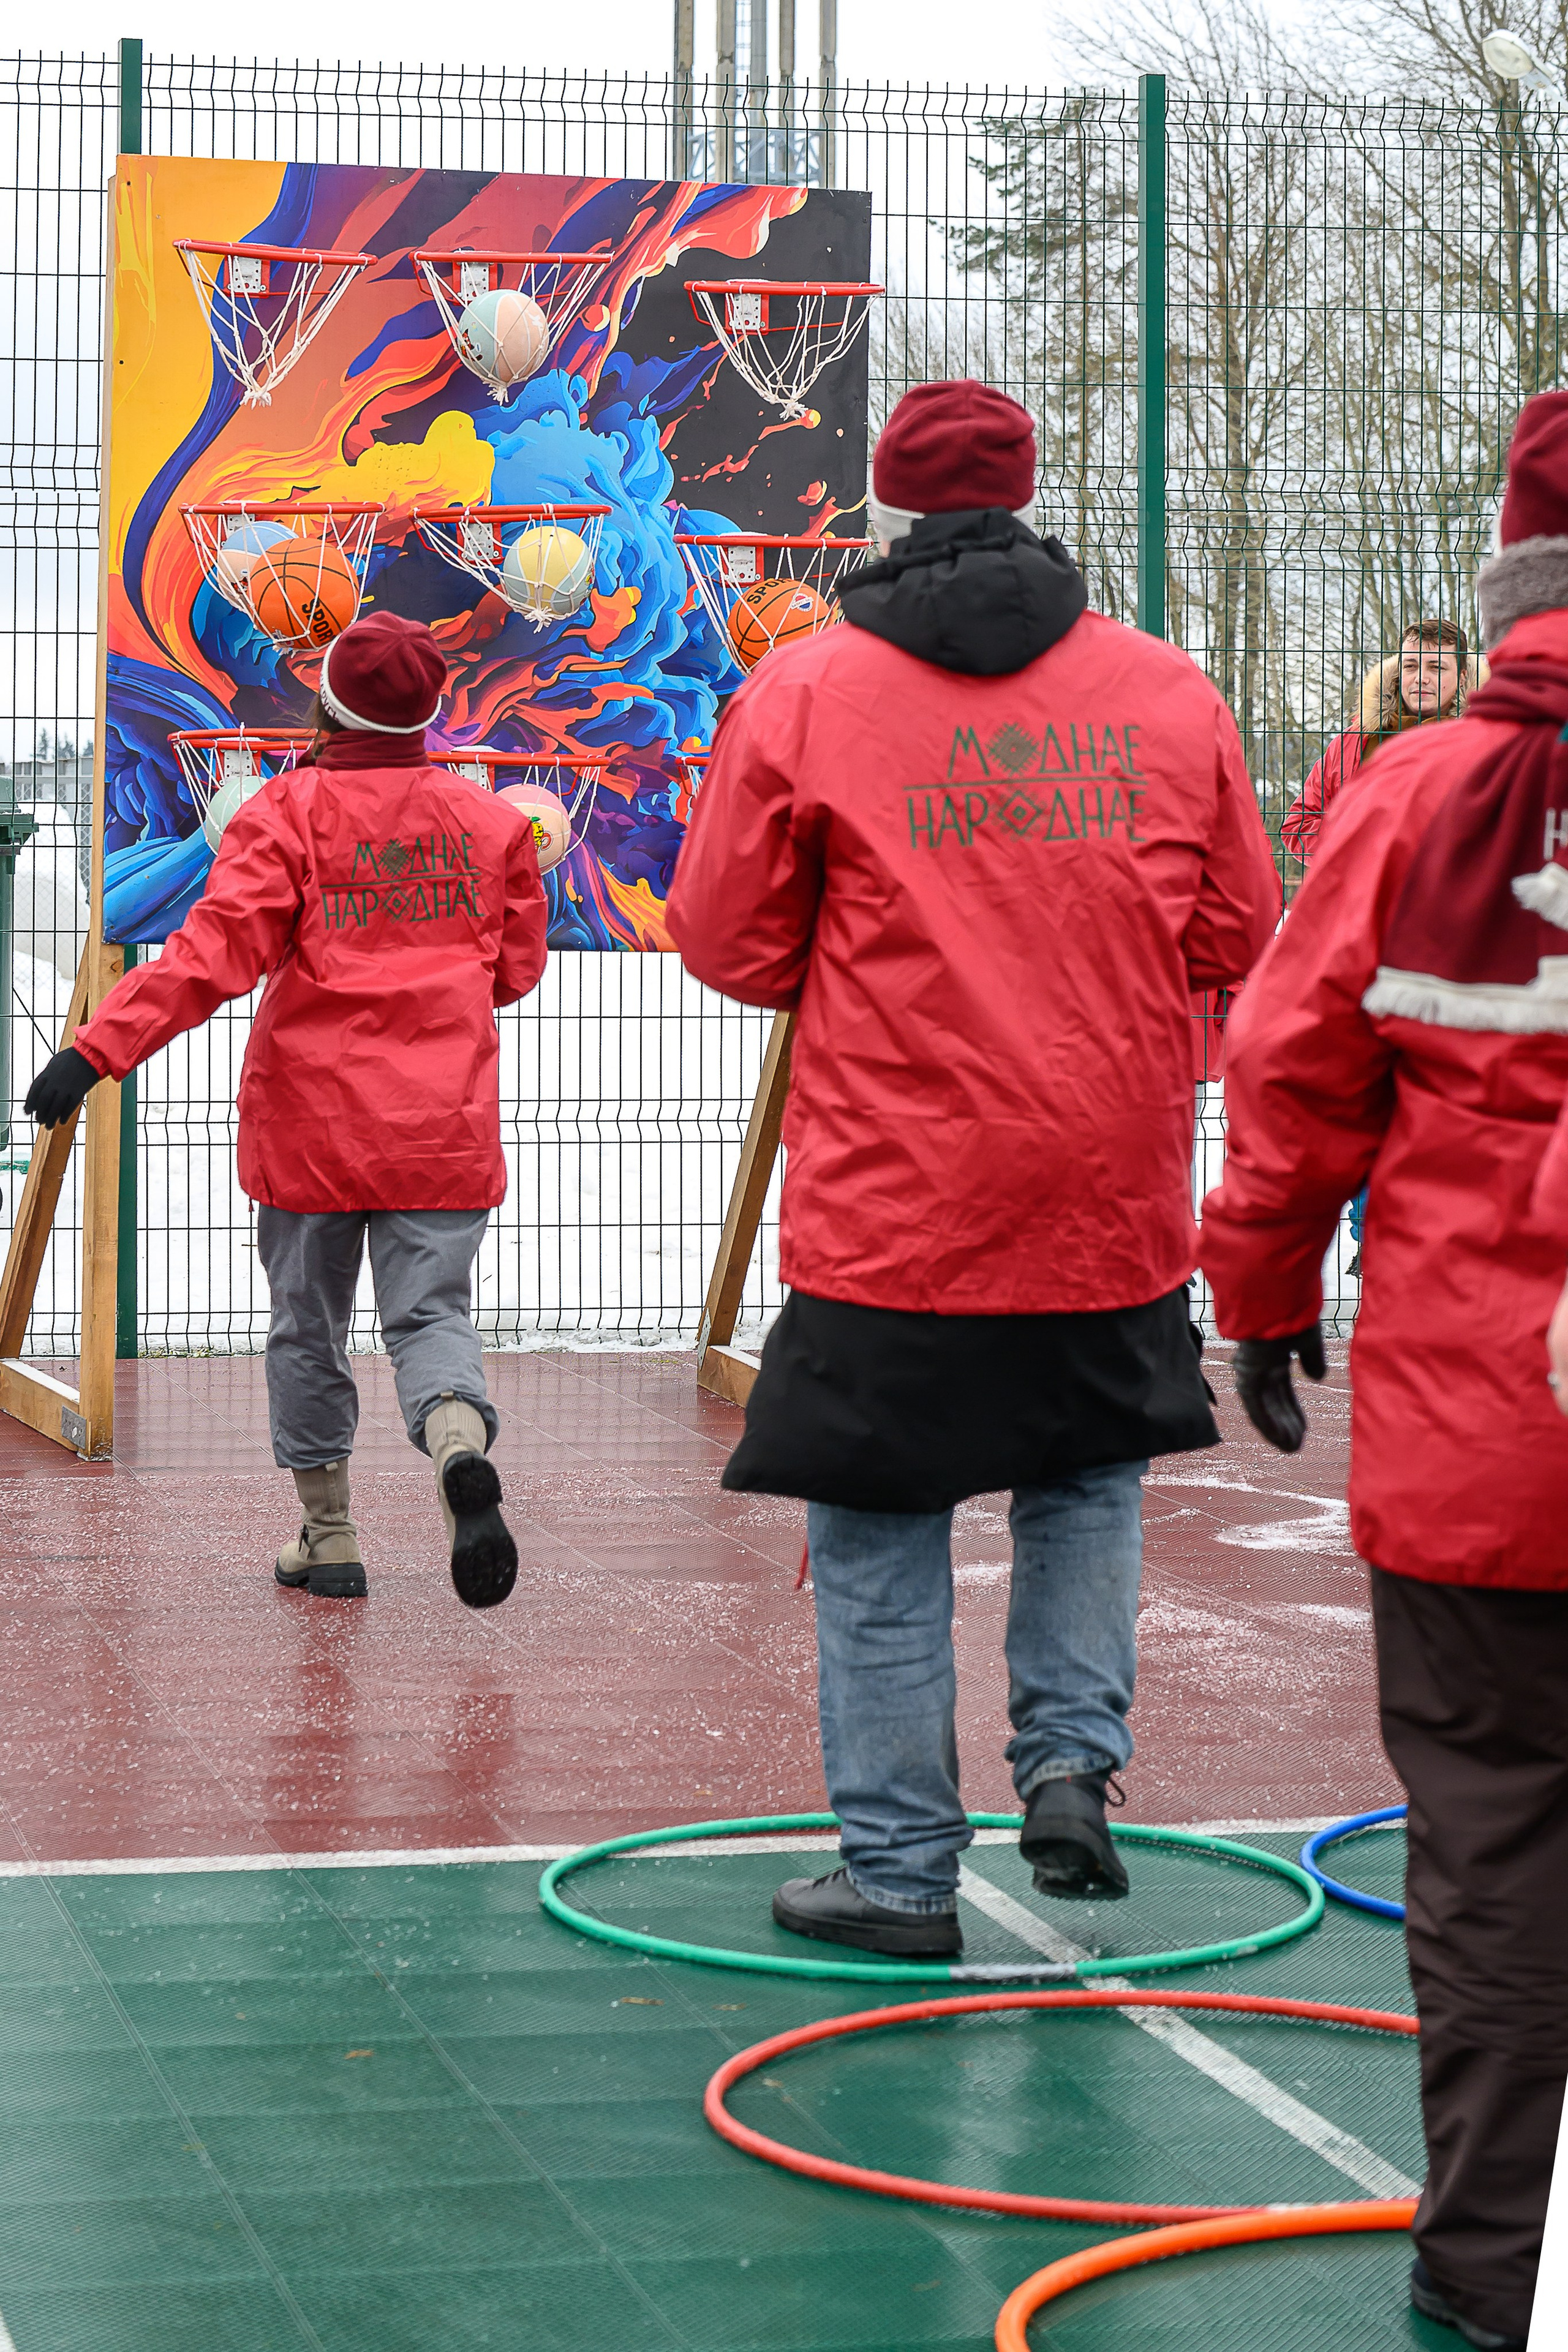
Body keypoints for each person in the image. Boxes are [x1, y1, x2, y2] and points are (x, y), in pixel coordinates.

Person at [666, 379, 1280, 1959]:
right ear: (1024, 490)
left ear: (883, 503)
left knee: (879, 1525)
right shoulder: (1164, 691)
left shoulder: (806, 691)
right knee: (1082, 1484)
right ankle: (1070, 1766)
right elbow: (1235, 932)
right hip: (1105, 1180)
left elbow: (728, 942)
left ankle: (896, 1871)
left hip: (897, 1194)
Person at [1200, 390, 1568, 2352]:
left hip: (1488, 1433)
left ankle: (1493, 2255)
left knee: (1499, 1832)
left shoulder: (1418, 799)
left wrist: (1257, 1296)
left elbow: (1290, 1069)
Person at [27, 612, 548, 1609]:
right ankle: (453, 1447)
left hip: (311, 1127)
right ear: (429, 711)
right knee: (431, 1316)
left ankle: (330, 1531)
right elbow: (513, 971)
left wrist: (99, 1048)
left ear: (327, 706)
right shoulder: (490, 826)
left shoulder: (284, 814)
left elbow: (209, 956)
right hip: (441, 1126)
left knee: (307, 1326)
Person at [1280, 617, 1474, 870]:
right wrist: (1359, 850)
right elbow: (1299, 825)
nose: (1421, 678)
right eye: (1411, 666)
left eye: (1437, 668)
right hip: (1361, 902)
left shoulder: (1484, 742)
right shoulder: (1354, 741)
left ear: (1461, 677)